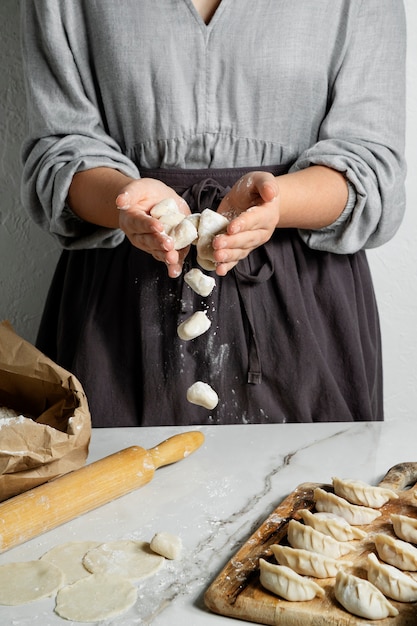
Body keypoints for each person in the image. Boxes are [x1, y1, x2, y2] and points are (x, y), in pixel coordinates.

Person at [20, 0, 406, 427]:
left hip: (302, 299)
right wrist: (126, 202)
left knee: (307, 488)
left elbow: (372, 164)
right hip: (121, 301)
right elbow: (57, 153)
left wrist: (276, 203)